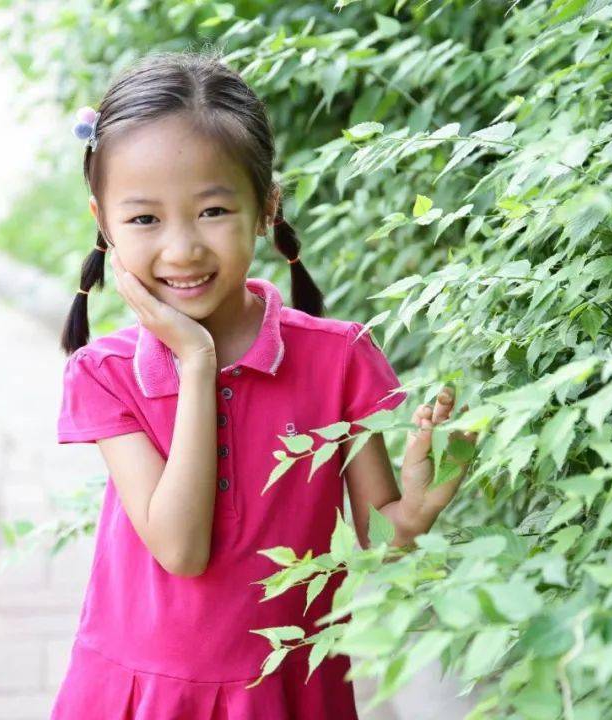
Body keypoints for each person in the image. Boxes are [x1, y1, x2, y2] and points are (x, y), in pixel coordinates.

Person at [51, 50, 478, 719]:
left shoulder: (339, 361)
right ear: (103, 221)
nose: (182, 248)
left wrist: (416, 514)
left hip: (284, 693)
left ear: (265, 206)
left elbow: (384, 543)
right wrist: (195, 363)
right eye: (144, 219)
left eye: (213, 210)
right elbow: (181, 548)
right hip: (136, 695)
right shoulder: (105, 376)